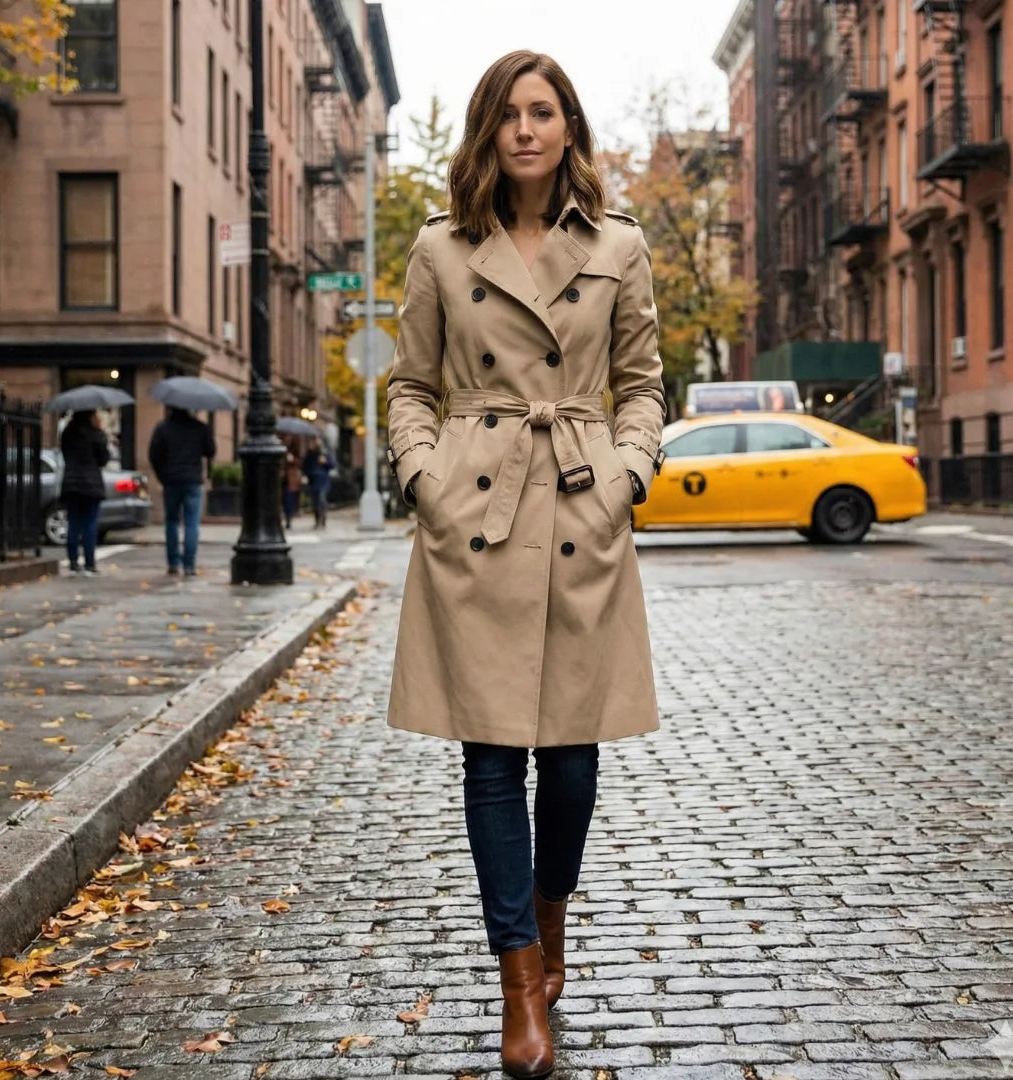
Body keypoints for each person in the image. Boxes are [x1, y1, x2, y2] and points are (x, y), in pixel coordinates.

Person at [384, 51, 665, 1080]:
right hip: (479, 517)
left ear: (568, 127)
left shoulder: (621, 246)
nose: (526, 129)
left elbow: (643, 384)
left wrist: (628, 470)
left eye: (543, 112)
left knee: (575, 763)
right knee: (493, 759)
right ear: (487, 133)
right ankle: (517, 985)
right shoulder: (441, 250)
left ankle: (551, 929)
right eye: (508, 114)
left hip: (584, 511)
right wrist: (426, 474)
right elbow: (409, 385)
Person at [148, 406, 215, 577]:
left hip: (171, 480)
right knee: (191, 523)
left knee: (171, 521)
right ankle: (189, 565)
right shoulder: (200, 427)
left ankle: (172, 563)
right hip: (192, 480)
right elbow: (211, 451)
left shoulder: (163, 428)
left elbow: (153, 455)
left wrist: (162, 476)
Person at [59, 410, 109, 575]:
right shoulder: (96, 434)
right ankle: (89, 562)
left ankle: (73, 561)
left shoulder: (68, 433)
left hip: (72, 483)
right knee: (89, 523)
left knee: (73, 522)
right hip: (91, 483)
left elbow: (65, 454)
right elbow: (103, 459)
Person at [301, 440, 333, 528]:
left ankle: (323, 518)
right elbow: (305, 467)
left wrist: (325, 462)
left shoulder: (325, 454)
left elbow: (333, 465)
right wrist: (304, 476)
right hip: (313, 481)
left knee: (322, 500)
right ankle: (317, 520)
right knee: (315, 502)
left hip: (323, 481)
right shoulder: (310, 455)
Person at [281, 438, 302, 529]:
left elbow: (300, 463)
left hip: (292, 481)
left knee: (289, 500)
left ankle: (289, 519)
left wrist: (292, 460)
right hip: (284, 480)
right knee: (285, 500)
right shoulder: (282, 452)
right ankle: (287, 517)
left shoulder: (295, 453)